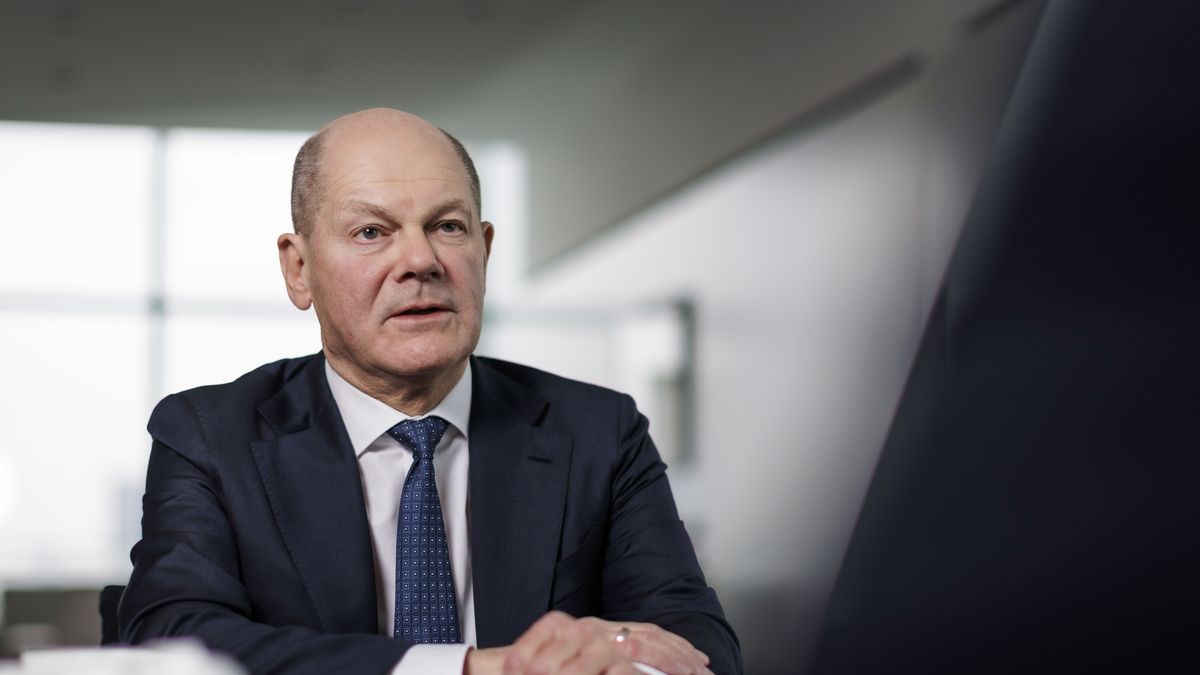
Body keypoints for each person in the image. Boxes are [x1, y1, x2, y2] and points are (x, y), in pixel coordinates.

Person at [119, 108, 741, 675]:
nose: (420, 260)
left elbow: (695, 641)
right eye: (371, 232)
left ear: (484, 250)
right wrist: (470, 670)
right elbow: (174, 642)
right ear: (299, 268)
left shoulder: (600, 431)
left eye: (447, 226)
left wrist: (624, 659)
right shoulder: (209, 435)